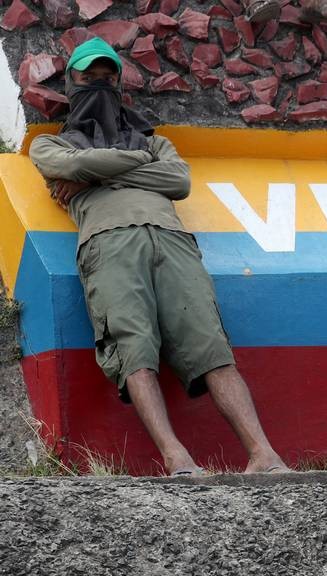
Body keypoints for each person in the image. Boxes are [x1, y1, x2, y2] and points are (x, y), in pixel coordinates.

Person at [28, 37, 290, 476]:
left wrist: (98, 171)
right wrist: (132, 164)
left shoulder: (154, 142)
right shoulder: (50, 146)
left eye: (108, 77)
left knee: (210, 345)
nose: (100, 85)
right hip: (108, 245)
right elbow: (69, 168)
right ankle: (176, 458)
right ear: (71, 83)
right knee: (133, 348)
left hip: (173, 241)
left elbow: (178, 181)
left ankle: (264, 455)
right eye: (90, 77)